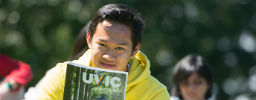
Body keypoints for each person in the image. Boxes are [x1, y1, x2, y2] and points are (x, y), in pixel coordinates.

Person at [25, 3, 170, 100]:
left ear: (135, 50)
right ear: (89, 40)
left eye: (120, 48)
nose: (108, 56)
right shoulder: (62, 76)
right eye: (103, 44)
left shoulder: (154, 93)